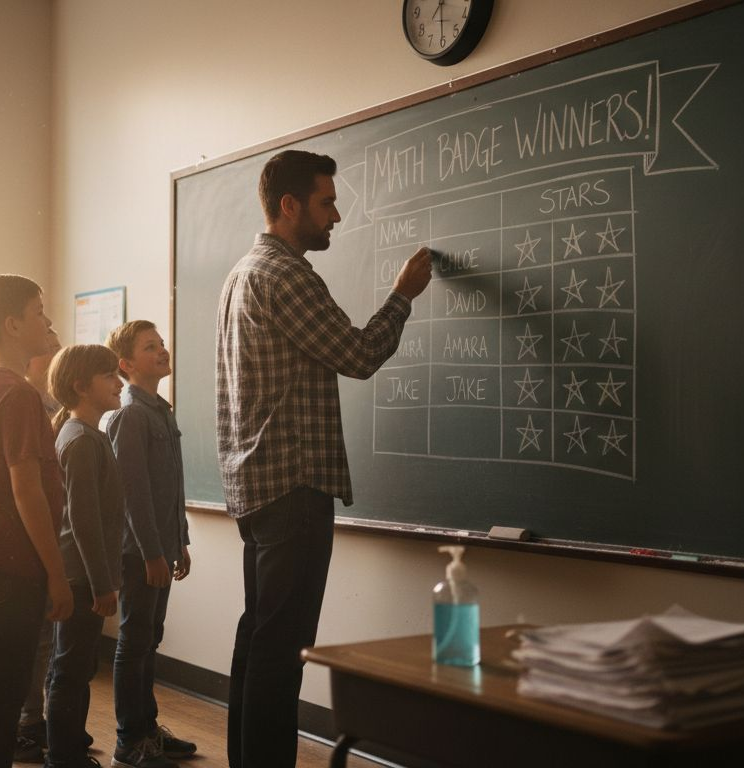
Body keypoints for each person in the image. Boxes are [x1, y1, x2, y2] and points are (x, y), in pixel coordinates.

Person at [215, 149, 432, 768]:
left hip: (255, 484)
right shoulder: (286, 276)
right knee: (283, 649)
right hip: (293, 485)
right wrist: (402, 296)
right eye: (327, 202)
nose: (336, 216)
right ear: (290, 206)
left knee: (259, 637)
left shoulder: (240, 274)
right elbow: (360, 354)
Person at [0, 274, 75, 768]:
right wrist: (58, 575)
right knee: (0, 693)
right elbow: (28, 492)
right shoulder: (19, 393)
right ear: (11, 325)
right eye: (39, 311)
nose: (47, 321)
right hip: (10, 554)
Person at [104, 321, 197, 768]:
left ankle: (148, 731)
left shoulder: (162, 409)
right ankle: (129, 741)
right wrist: (152, 553)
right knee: (134, 641)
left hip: (163, 547)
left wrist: (180, 541)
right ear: (125, 364)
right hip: (141, 553)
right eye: (149, 347)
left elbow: (170, 487)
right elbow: (133, 495)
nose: (162, 350)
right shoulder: (130, 414)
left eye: (161, 343)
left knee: (150, 639)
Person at [44, 344, 126, 768]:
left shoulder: (89, 435)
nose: (120, 382)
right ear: (80, 386)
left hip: (85, 577)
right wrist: (102, 584)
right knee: (70, 670)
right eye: (110, 375)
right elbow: (84, 523)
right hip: (81, 579)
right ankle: (63, 758)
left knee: (76, 667)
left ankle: (71, 749)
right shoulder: (79, 440)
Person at [15, 329, 65, 763]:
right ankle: (28, 723)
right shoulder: (22, 401)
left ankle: (37, 718)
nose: (53, 353)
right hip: (30, 539)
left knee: (46, 639)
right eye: (48, 347)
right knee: (33, 641)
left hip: (53, 531)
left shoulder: (55, 406)